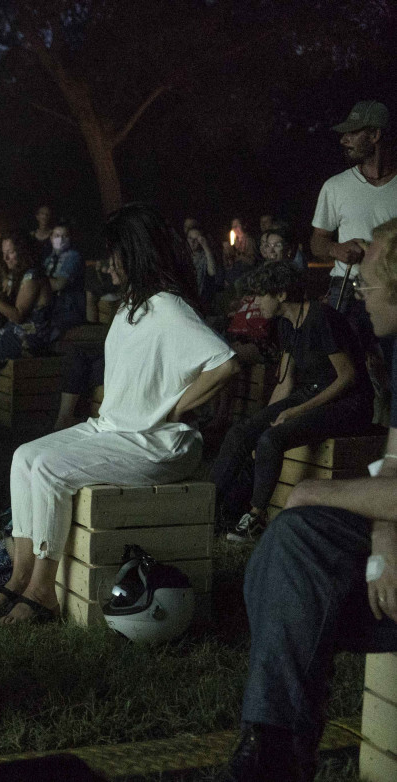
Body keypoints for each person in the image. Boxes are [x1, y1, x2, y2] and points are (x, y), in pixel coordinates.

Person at [0, 203, 238, 625]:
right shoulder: (135, 303)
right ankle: (19, 580)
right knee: (24, 457)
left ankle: (43, 593)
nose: (108, 264)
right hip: (114, 429)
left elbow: (225, 362)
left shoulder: (169, 306)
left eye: (114, 253)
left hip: (153, 443)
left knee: (49, 470)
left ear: (135, 253)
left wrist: (179, 404)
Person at [225, 216, 397, 782]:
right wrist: (382, 537)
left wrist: (315, 488)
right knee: (289, 543)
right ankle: (274, 749)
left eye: (370, 281)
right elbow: (393, 463)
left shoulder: (326, 321)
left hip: (339, 408)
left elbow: (346, 385)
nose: (361, 293)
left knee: (300, 514)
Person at [211, 262, 373, 542]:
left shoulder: (322, 318)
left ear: (282, 294)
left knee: (271, 440)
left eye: (262, 295)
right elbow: (285, 383)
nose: (256, 302)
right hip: (310, 394)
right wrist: (265, 419)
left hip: (348, 402)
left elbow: (347, 377)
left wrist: (295, 412)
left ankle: (255, 517)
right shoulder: (287, 324)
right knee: (242, 433)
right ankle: (210, 507)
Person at [312, 101, 396, 317]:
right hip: (347, 288)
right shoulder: (335, 186)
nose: (343, 140)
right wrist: (335, 249)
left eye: (352, 133)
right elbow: (318, 241)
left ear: (375, 135)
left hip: (391, 288)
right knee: (343, 351)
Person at [0, 231, 57, 363]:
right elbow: (3, 306)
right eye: (3, 253)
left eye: (11, 252)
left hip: (29, 339)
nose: (6, 258)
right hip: (13, 331)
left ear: (23, 251)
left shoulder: (32, 276)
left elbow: (18, 316)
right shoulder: (16, 275)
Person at [43, 221, 86, 330]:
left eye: (65, 236)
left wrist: (35, 279)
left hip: (67, 310)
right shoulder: (48, 259)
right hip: (51, 308)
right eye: (57, 236)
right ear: (51, 238)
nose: (60, 239)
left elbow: (58, 284)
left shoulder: (73, 256)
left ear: (70, 238)